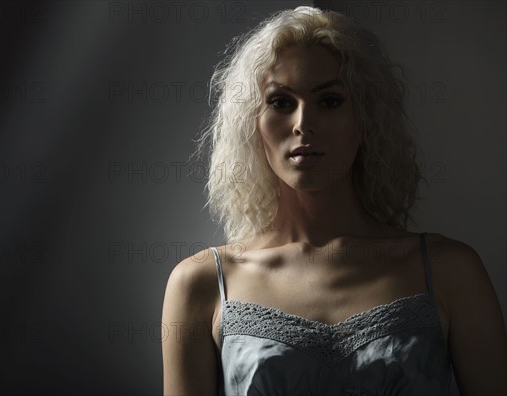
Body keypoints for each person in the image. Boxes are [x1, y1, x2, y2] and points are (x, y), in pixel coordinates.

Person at [162, 5, 507, 396]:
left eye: (329, 101)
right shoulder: (202, 282)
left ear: (365, 118)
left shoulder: (449, 271)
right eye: (280, 102)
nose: (303, 123)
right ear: (250, 121)